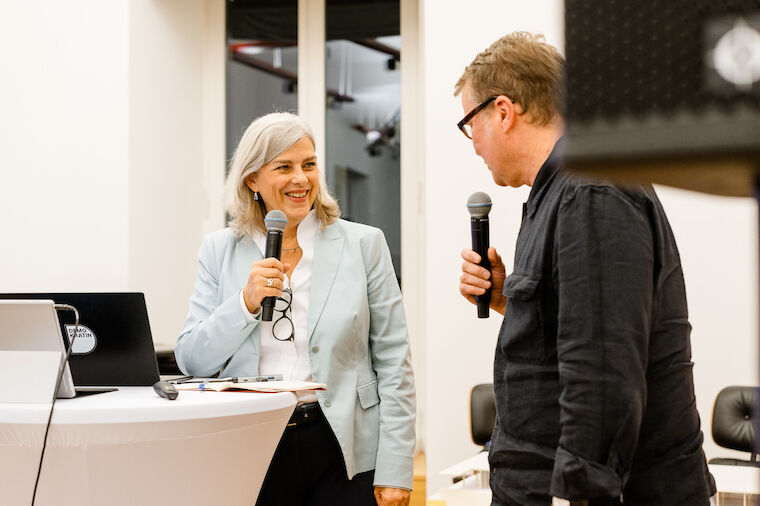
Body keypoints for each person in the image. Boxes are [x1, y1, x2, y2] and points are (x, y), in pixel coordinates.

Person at [456, 33, 716, 506]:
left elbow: (604, 373)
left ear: (503, 111)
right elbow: (578, 330)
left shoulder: (589, 192)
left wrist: (577, 494)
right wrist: (504, 300)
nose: (471, 142)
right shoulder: (559, 191)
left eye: (468, 122)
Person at [175, 112, 415, 506]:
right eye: (283, 167)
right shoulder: (219, 251)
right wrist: (244, 303)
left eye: (309, 164)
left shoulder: (364, 244)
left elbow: (394, 360)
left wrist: (396, 467)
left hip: (344, 447)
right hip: (252, 442)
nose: (301, 179)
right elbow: (191, 360)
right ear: (252, 180)